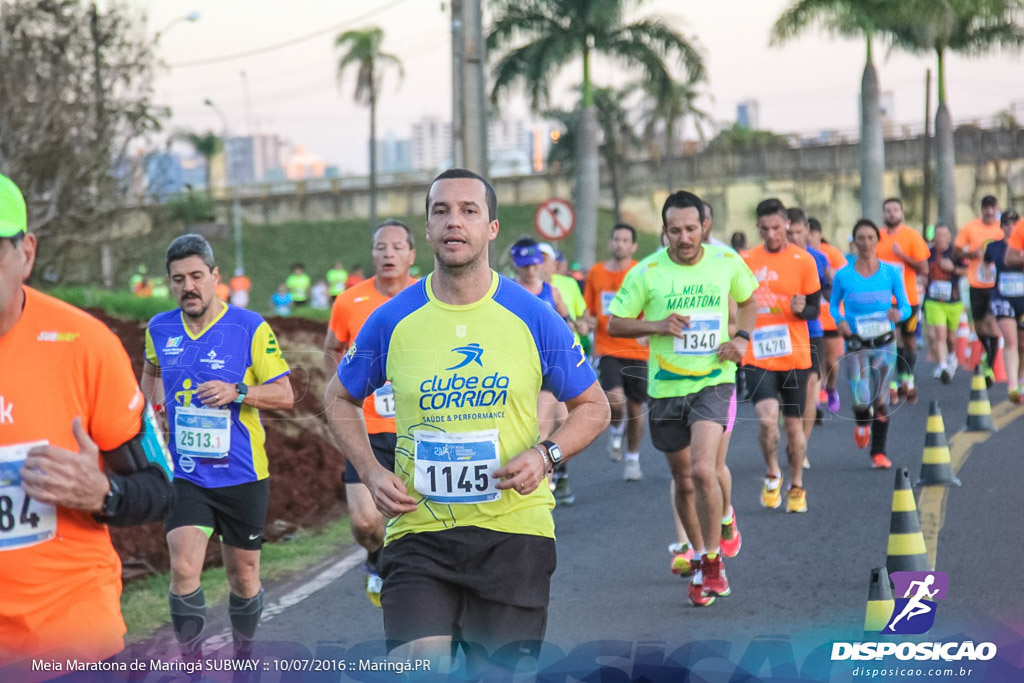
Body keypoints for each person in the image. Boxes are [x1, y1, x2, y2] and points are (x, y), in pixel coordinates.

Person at [324, 169, 608, 670]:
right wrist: (370, 470)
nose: (454, 221)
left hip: (514, 532)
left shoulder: (534, 315)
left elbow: (594, 406)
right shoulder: (392, 319)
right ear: (428, 230)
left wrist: (546, 455)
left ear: (491, 228)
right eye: (441, 211)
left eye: (469, 210)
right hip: (419, 532)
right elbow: (338, 397)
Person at [0, 173, 173, 666]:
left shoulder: (86, 346)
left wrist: (103, 495)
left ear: (26, 253)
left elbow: (160, 486)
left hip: (69, 639)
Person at [141, 234, 294, 660]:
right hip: (186, 473)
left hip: (242, 473)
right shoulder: (159, 328)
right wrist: (150, 417)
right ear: (170, 284)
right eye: (178, 279)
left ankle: (243, 655)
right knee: (184, 566)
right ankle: (192, 664)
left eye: (195, 276)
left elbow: (284, 394)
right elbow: (151, 372)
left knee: (243, 577)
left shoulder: (248, 327)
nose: (188, 287)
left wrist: (238, 391)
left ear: (214, 277)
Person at [608, 190, 757, 608]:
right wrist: (657, 325)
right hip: (666, 388)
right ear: (664, 231)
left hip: (714, 380)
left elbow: (749, 301)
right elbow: (616, 323)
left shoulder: (726, 262)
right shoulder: (646, 272)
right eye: (676, 230)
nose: (685, 237)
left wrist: (742, 338)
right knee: (684, 481)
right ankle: (697, 554)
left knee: (703, 469)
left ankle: (712, 561)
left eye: (692, 228)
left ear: (704, 226)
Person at [323, 220, 417, 606]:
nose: (389, 254)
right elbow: (332, 347)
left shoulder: (429, 296)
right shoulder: (349, 302)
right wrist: (342, 391)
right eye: (381, 247)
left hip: (419, 427)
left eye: (397, 247)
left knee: (418, 523)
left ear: (412, 254)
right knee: (366, 523)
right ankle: (375, 557)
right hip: (366, 427)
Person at [741, 199, 822, 514]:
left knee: (793, 427)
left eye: (777, 227)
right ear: (758, 228)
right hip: (757, 353)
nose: (771, 234)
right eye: (764, 228)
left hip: (794, 355)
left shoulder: (804, 261)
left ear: (787, 224)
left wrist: (804, 310)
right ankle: (773, 471)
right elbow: (736, 302)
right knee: (765, 420)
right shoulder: (746, 260)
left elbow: (814, 306)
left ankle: (797, 484)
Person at [830, 219, 911, 470]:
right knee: (861, 399)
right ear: (854, 242)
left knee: (882, 400)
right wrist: (840, 321)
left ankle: (878, 452)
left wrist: (899, 314)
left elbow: (906, 306)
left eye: (870, 238)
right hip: (856, 344)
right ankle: (862, 423)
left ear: (878, 241)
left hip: (885, 344)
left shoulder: (890, 273)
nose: (866, 243)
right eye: (861, 238)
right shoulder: (844, 275)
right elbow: (833, 305)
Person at [509, 238, 577, 505]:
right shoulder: (510, 293)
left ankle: (559, 472)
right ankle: (544, 484)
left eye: (533, 264)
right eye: (524, 265)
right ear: (516, 265)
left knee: (565, 423)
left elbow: (566, 322)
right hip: (523, 368)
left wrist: (574, 329)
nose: (529, 270)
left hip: (553, 366)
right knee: (540, 424)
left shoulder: (551, 291)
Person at [583, 224, 649, 481]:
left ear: (633, 247)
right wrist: (586, 321)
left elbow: (653, 304)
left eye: (625, 240)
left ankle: (633, 459)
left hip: (637, 349)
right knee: (616, 400)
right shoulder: (596, 273)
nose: (620, 244)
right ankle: (615, 430)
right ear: (610, 243)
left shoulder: (641, 272)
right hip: (607, 347)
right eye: (616, 239)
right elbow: (589, 310)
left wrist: (648, 329)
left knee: (637, 408)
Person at [787, 208, 830, 467]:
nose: (793, 237)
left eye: (798, 232)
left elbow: (823, 290)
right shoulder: (773, 259)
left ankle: (801, 446)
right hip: (780, 334)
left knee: (811, 386)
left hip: (811, 331)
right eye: (788, 232)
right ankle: (793, 436)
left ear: (807, 231)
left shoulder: (817, 258)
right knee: (788, 393)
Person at [877, 198, 930, 403]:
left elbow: (924, 268)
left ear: (901, 213)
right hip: (883, 301)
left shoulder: (912, 236)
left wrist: (902, 256)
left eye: (895, 210)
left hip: (907, 299)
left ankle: (907, 379)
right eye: (888, 210)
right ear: (883, 214)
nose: (891, 214)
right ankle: (891, 384)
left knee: (908, 340)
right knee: (889, 340)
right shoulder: (877, 237)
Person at [955, 195, 1005, 386]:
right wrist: (970, 253)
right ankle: (987, 356)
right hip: (976, 283)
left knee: (992, 323)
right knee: (980, 327)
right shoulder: (970, 227)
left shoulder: (1003, 228)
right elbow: (957, 251)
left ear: (996, 209)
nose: (989, 211)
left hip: (997, 284)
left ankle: (989, 367)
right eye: (986, 207)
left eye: (992, 207)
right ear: (981, 209)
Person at [983, 210, 1024, 403]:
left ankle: (1021, 380)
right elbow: (984, 267)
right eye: (1007, 223)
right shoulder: (993, 247)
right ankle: (1012, 385)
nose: (1011, 227)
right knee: (1010, 340)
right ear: (1002, 226)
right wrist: (987, 276)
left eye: (1015, 223)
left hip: (1022, 297)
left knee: (1023, 344)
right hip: (1002, 295)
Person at [808, 218, 848, 412]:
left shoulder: (831, 253)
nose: (807, 239)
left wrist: (834, 279)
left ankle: (831, 388)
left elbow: (847, 282)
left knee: (831, 362)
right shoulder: (801, 255)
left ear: (818, 234)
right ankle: (815, 404)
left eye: (810, 234)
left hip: (831, 317)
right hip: (812, 319)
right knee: (815, 364)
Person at [923, 224, 967, 384]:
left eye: (944, 235)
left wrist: (953, 268)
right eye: (938, 235)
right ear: (934, 237)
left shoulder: (956, 252)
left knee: (951, 336)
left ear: (949, 237)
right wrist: (922, 276)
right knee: (939, 334)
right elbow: (921, 269)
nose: (941, 238)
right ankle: (942, 366)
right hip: (933, 300)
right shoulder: (928, 253)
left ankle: (951, 356)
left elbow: (966, 271)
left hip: (953, 301)